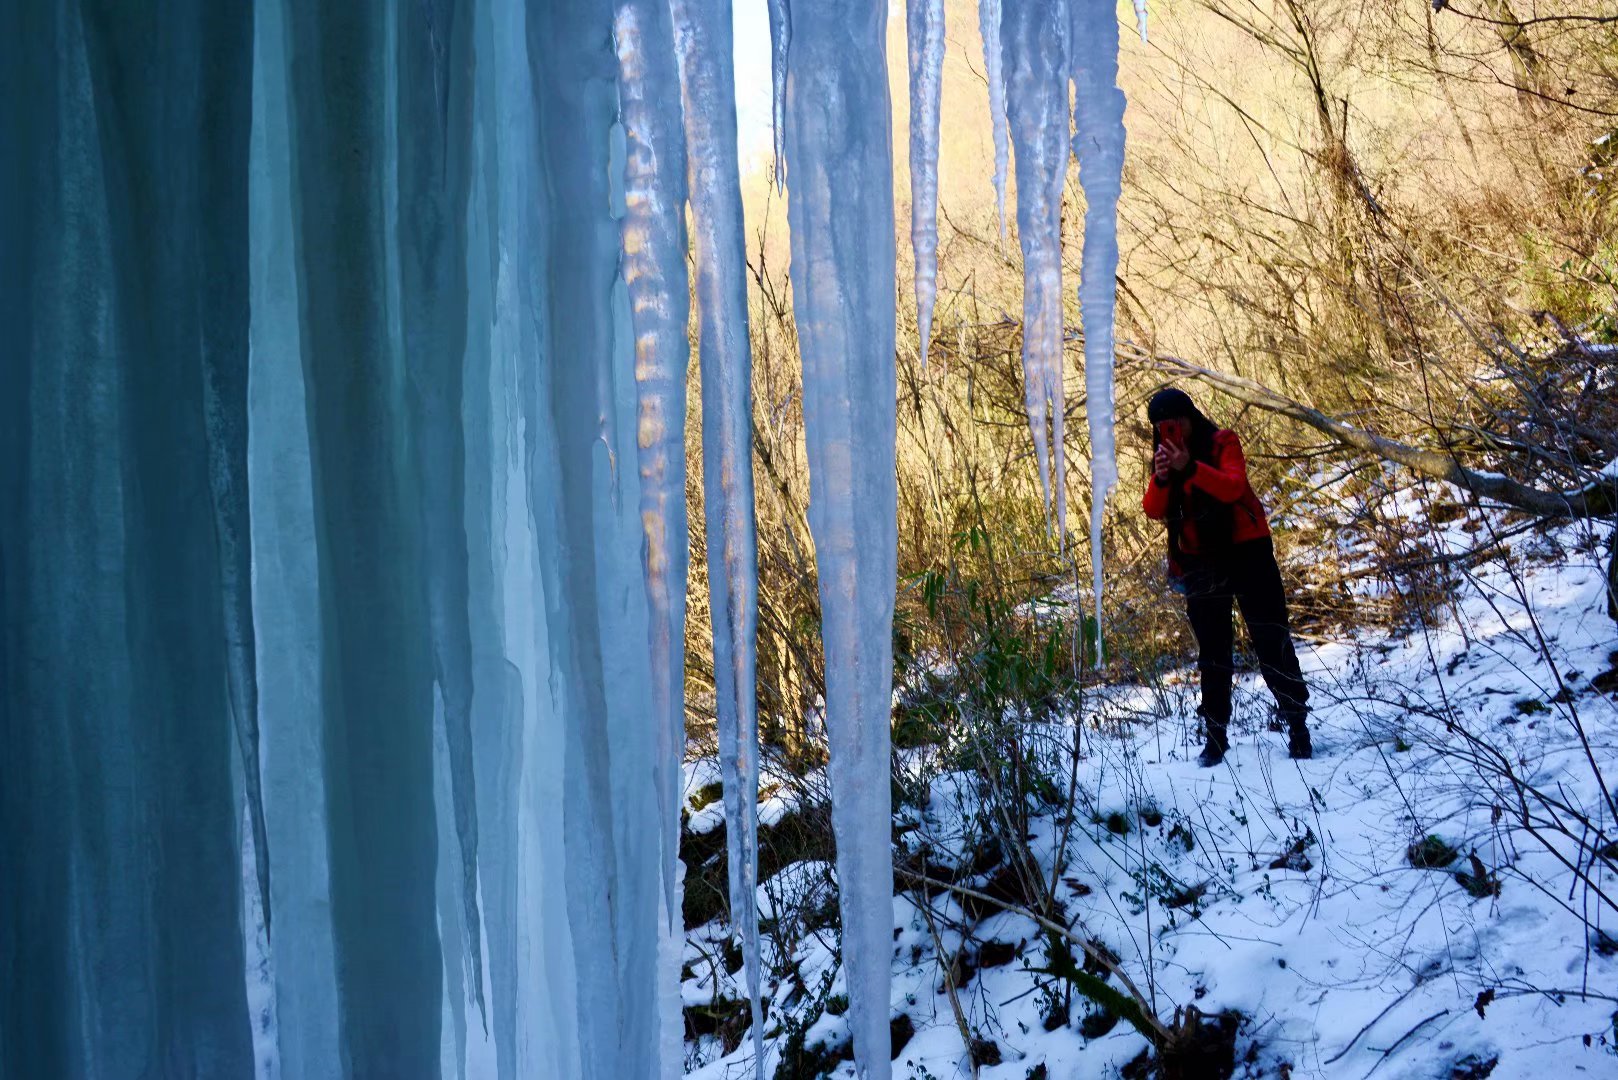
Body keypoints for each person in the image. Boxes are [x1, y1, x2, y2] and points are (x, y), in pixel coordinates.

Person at [1141, 387, 1312, 766]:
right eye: (1162, 427)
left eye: (1176, 422)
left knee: (1271, 638)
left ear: (1190, 417)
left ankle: (1298, 726)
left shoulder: (1223, 442)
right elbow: (1153, 509)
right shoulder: (1165, 460)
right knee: (1213, 655)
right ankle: (1215, 739)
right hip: (1200, 562)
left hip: (1247, 551)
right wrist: (1164, 477)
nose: (1172, 432)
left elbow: (1233, 486)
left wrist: (1192, 468)